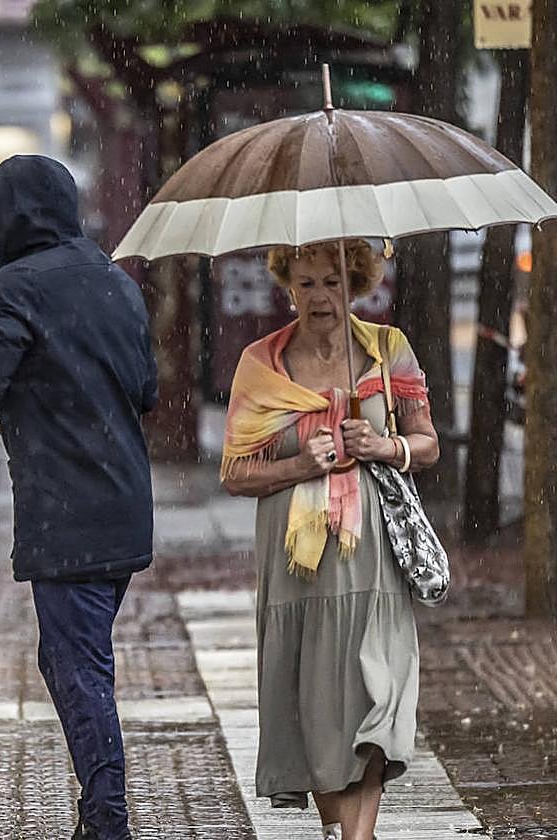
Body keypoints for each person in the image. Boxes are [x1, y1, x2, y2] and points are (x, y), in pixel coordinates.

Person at [0, 155, 158, 840]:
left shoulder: (16, 287)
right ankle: (98, 815)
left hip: (66, 513)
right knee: (67, 657)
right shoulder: (114, 281)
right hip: (121, 505)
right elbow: (145, 390)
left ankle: (107, 819)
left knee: (78, 665)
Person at [220, 240, 439, 840]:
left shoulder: (387, 351)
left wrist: (385, 447)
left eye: (334, 282)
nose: (321, 297)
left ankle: (356, 836)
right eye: (307, 282)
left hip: (373, 563)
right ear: (288, 286)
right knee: (316, 709)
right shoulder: (260, 366)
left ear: (358, 284)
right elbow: (235, 472)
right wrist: (301, 465)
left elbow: (427, 444)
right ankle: (350, 834)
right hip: (299, 568)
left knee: (380, 695)